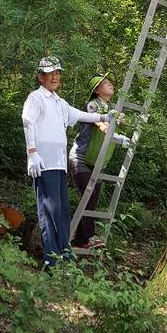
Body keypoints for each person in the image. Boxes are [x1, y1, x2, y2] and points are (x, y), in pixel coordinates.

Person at [22, 55, 115, 268]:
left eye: (57, 73)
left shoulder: (59, 102)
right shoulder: (36, 98)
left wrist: (104, 117)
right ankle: (51, 261)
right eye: (50, 74)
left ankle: (64, 255)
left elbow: (81, 115)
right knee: (49, 211)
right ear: (41, 77)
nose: (54, 77)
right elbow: (28, 122)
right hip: (43, 163)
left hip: (59, 163)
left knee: (62, 211)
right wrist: (32, 153)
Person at [69, 73, 131, 251]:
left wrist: (123, 122)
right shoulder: (92, 105)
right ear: (97, 90)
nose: (110, 85)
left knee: (91, 200)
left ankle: (81, 238)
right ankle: (85, 237)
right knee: (89, 195)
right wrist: (117, 136)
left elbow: (123, 122)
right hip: (81, 158)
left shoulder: (111, 107)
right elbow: (102, 126)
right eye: (106, 83)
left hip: (98, 162)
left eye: (110, 82)